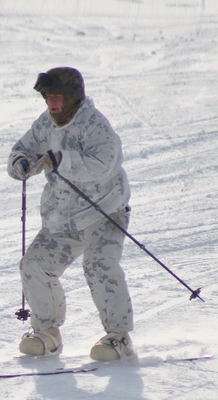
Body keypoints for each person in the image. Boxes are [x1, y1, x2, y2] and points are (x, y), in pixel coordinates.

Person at [7, 67, 135, 362]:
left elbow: (105, 165)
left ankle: (119, 337)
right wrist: (21, 163)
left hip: (104, 211)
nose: (52, 103)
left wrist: (63, 161)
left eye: (58, 96)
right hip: (62, 216)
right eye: (47, 96)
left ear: (73, 98)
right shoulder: (45, 125)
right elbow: (23, 148)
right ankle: (47, 332)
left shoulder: (95, 126)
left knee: (99, 264)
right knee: (34, 265)